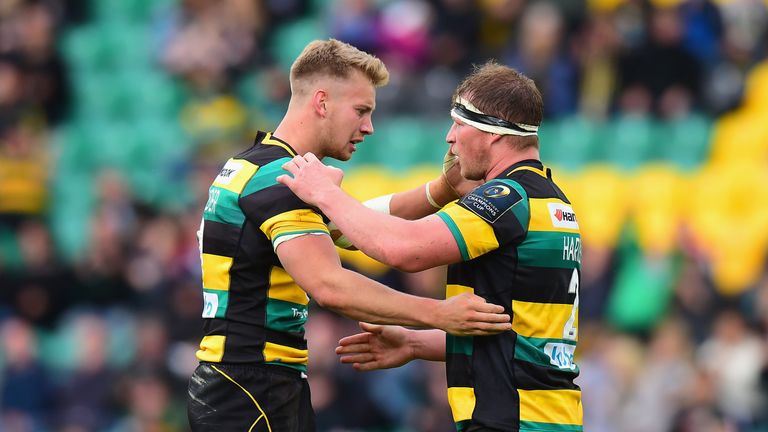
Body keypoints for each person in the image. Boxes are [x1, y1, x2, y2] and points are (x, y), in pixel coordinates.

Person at [187, 39, 512, 432]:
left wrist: (441, 191)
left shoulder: (258, 166)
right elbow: (329, 285)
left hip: (243, 385)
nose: (369, 127)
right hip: (251, 388)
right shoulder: (280, 178)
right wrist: (439, 315)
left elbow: (354, 224)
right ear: (322, 102)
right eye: (361, 111)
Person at [278, 62, 583, 432]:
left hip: (515, 420)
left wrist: (325, 194)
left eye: (460, 122)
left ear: (494, 131)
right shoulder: (551, 200)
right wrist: (413, 344)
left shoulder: (507, 198)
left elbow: (404, 249)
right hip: (544, 417)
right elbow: (511, 334)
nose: (449, 137)